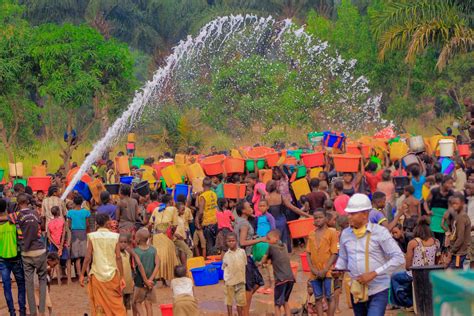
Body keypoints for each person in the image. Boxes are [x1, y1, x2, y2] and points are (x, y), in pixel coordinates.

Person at [335, 193, 405, 316]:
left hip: (378, 289)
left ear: (365, 214)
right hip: (356, 289)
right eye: (348, 214)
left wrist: (374, 273)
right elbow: (343, 258)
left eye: (353, 214)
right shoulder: (345, 234)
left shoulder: (380, 232)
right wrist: (338, 269)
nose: (349, 217)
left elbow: (398, 257)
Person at [79, 213, 126, 316]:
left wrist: (82, 274)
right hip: (113, 274)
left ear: (97, 223)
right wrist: (122, 276)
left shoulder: (92, 236)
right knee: (117, 303)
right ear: (108, 223)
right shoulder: (115, 236)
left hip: (97, 274)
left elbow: (87, 258)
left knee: (99, 305)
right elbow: (118, 257)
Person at [390, 216, 439, 309]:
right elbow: (436, 261)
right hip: (430, 274)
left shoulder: (413, 243)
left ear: (416, 230)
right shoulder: (436, 242)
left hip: (416, 274)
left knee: (395, 277)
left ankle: (406, 303)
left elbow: (408, 266)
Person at [11, 193, 48, 316]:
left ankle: (33, 312)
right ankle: (42, 310)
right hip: (40, 250)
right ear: (28, 202)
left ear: (18, 203)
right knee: (42, 280)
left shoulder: (16, 215)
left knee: (29, 283)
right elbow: (42, 227)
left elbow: (5, 218)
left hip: (26, 253)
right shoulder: (36, 213)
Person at [234, 201, 266, 316]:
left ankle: (242, 309)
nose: (251, 208)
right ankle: (245, 312)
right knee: (249, 287)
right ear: (243, 211)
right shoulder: (244, 224)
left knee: (255, 283)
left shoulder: (239, 221)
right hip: (244, 258)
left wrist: (255, 237)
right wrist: (260, 240)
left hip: (241, 257)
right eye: (249, 207)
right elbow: (242, 242)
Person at [306, 209, 338, 316]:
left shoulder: (332, 233)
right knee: (318, 298)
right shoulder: (311, 234)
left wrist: (325, 269)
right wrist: (313, 269)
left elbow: (334, 253)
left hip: (327, 271)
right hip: (314, 272)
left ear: (326, 218)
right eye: (316, 218)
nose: (318, 220)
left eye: (320, 217)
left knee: (329, 296)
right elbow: (308, 253)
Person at [266, 180, 309, 252]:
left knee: (273, 241)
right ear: (276, 186)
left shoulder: (266, 198)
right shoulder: (281, 197)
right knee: (283, 241)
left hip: (270, 222)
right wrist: (307, 215)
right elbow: (293, 208)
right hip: (282, 221)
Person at [0, 198, 26, 316]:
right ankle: (22, 311)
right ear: (6, 207)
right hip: (16, 257)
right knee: (21, 284)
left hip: (2, 259)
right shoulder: (13, 220)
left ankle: (12, 312)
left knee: (7, 286)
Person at [262, 229, 296, 316]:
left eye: (269, 239)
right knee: (285, 301)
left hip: (281, 280)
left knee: (277, 304)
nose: (267, 241)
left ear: (276, 238)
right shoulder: (284, 246)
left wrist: (260, 263)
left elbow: (263, 260)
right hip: (291, 278)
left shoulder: (271, 247)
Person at [148, 194, 179, 284]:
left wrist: (150, 234)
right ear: (170, 202)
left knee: (159, 256)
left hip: (156, 235)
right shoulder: (173, 209)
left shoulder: (156, 209)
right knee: (169, 255)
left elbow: (150, 224)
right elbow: (175, 225)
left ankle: (162, 279)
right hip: (167, 235)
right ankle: (170, 278)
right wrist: (171, 234)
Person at [133, 228, 160, 316]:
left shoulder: (135, 251)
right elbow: (157, 264)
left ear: (138, 239)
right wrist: (150, 280)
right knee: (148, 303)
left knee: (137, 302)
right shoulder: (153, 250)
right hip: (151, 283)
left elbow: (139, 266)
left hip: (140, 282)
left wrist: (146, 281)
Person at [424, 175, 454, 246]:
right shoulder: (434, 191)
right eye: (449, 183)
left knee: (443, 238)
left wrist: (449, 211)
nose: (451, 185)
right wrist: (428, 211)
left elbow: (452, 206)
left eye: (452, 183)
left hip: (445, 218)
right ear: (443, 183)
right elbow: (425, 202)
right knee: (433, 237)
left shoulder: (451, 193)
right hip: (434, 217)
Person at [223, 232, 247, 316]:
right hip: (230, 282)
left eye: (233, 241)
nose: (231, 242)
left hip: (241, 281)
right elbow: (224, 268)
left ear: (236, 241)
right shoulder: (226, 255)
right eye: (229, 241)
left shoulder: (242, 252)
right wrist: (225, 280)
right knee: (229, 301)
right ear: (226, 242)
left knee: (240, 302)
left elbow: (244, 264)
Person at [66, 195, 90, 280]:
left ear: (74, 202)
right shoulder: (86, 212)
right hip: (83, 233)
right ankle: (88, 275)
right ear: (81, 202)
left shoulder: (70, 212)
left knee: (77, 257)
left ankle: (80, 275)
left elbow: (69, 224)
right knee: (85, 256)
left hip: (74, 234)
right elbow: (87, 224)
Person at [47, 206, 71, 284]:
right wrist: (61, 245)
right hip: (62, 244)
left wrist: (56, 245)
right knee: (67, 260)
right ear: (58, 212)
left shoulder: (49, 223)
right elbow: (64, 234)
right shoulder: (62, 221)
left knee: (55, 262)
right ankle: (69, 280)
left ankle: (59, 281)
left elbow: (48, 236)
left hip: (54, 245)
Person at [446, 193, 471, 268]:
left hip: (458, 253)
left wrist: (451, 253)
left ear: (462, 203)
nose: (454, 205)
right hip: (458, 252)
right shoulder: (458, 216)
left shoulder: (461, 217)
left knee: (450, 274)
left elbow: (460, 238)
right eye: (453, 203)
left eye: (456, 203)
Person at [196, 177, 218, 255]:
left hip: (207, 223)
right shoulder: (214, 194)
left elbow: (201, 211)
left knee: (209, 245)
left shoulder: (202, 196)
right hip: (215, 221)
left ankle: (211, 263)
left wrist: (198, 220)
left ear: (202, 185)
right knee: (215, 244)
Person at [119, 234, 134, 313]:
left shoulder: (128, 253)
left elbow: (130, 267)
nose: (123, 243)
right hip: (120, 283)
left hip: (128, 283)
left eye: (125, 242)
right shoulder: (117, 255)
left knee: (127, 304)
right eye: (121, 242)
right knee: (120, 303)